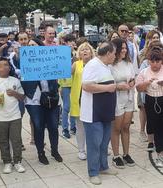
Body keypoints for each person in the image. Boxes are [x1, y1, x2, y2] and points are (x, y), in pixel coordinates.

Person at [80, 42, 118, 185]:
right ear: (108, 53)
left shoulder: (106, 66)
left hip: (105, 112)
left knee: (103, 143)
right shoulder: (92, 65)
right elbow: (86, 86)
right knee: (94, 144)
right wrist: (108, 88)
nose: (115, 56)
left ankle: (103, 166)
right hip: (93, 113)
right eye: (114, 53)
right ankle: (93, 172)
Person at [22, 35, 63, 165]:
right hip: (34, 99)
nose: (31, 48)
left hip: (51, 97)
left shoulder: (50, 60)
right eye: (29, 46)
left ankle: (54, 150)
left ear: (41, 48)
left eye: (33, 45)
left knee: (53, 126)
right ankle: (41, 152)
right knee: (38, 127)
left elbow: (60, 70)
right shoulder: (24, 61)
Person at [0, 57, 26, 173]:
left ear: (9, 67)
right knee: (3, 141)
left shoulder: (15, 81)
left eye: (6, 65)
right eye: (1, 65)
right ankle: (7, 162)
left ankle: (17, 162)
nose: (4, 67)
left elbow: (22, 97)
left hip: (15, 116)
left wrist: (15, 93)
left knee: (16, 140)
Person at [110, 38, 136, 169]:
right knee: (116, 128)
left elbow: (133, 78)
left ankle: (126, 154)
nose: (125, 50)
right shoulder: (110, 65)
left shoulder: (129, 64)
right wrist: (118, 86)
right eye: (123, 48)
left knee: (126, 127)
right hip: (116, 99)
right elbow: (108, 84)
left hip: (129, 98)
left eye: (126, 48)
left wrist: (132, 82)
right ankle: (116, 155)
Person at [136, 45, 163, 167]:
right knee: (152, 123)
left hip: (162, 98)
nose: (155, 64)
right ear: (149, 61)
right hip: (150, 99)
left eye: (158, 61)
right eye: (153, 61)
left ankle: (160, 152)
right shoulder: (144, 72)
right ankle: (154, 145)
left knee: (160, 126)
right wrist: (146, 83)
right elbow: (138, 88)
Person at [70, 42, 95, 160]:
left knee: (93, 126)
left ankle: (94, 148)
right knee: (80, 127)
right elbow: (66, 74)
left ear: (91, 52)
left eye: (87, 49)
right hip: (79, 99)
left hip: (93, 98)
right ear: (79, 53)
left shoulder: (96, 64)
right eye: (82, 50)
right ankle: (81, 150)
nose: (85, 51)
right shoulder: (76, 64)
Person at [58, 34, 77, 139]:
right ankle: (65, 128)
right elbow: (59, 70)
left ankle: (73, 127)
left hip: (75, 83)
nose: (71, 44)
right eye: (69, 41)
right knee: (66, 106)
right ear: (64, 42)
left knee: (74, 105)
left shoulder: (75, 55)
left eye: (72, 41)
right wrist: (59, 85)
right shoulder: (61, 55)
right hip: (64, 84)